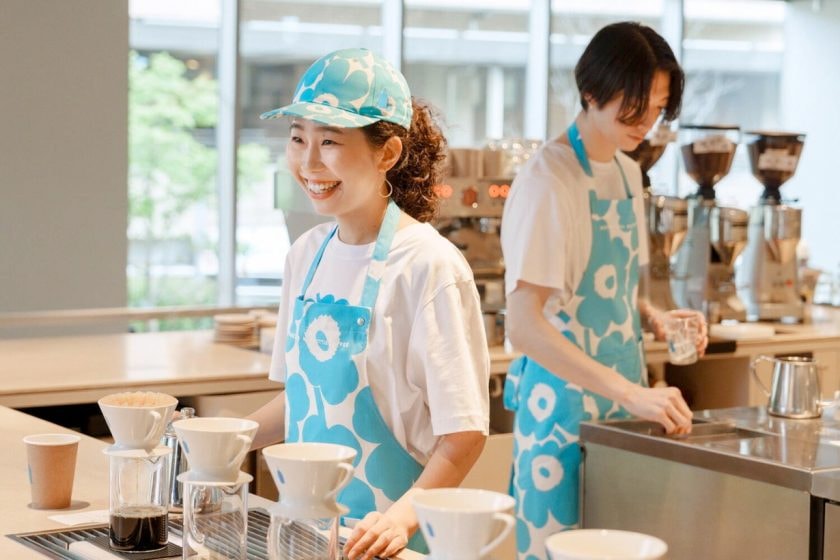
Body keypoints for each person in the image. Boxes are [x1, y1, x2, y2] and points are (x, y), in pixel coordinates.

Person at [249, 48, 490, 559]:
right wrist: (221, 438)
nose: (309, 163)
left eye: (330, 142)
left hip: (389, 543)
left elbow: (464, 434)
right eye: (298, 139)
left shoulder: (429, 266)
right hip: (307, 535)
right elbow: (305, 396)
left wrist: (398, 522)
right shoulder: (306, 256)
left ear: (388, 153)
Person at [500, 22, 708, 558]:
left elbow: (606, 292)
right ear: (591, 92)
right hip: (560, 410)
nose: (648, 123)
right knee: (558, 548)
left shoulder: (626, 172)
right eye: (636, 108)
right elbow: (525, 323)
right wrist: (631, 393)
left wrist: (654, 317)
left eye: (658, 109)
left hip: (622, 405)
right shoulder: (549, 179)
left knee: (620, 544)